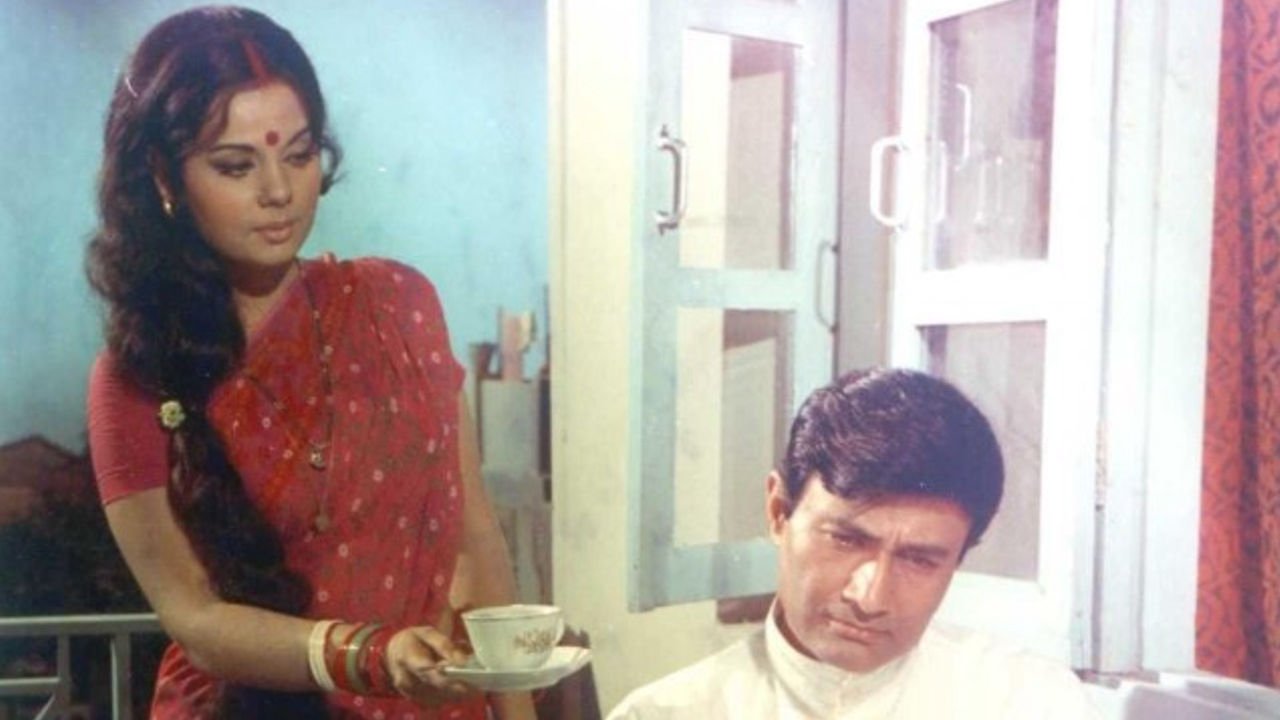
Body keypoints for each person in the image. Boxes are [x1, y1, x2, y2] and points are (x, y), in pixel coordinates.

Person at [85, 7, 533, 719]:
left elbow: (474, 544)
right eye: (236, 166)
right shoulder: (136, 375)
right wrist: (368, 655)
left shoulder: (397, 306)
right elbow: (194, 620)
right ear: (164, 176)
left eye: (298, 155)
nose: (279, 191)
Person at [609, 368, 1101, 719]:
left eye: (919, 560)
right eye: (845, 539)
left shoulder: (1034, 703)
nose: (870, 598)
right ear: (779, 512)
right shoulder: (665, 714)